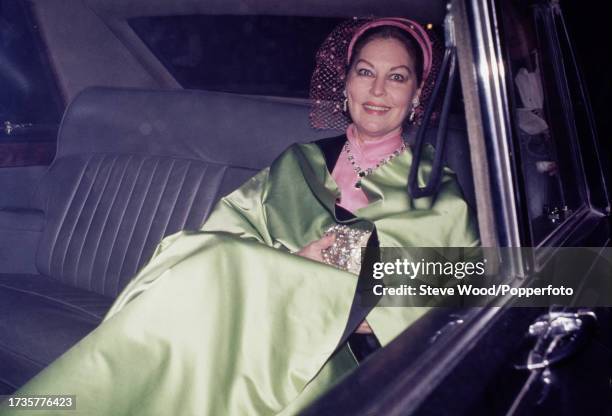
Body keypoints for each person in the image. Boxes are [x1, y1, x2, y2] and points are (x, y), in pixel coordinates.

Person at [0, 18, 478, 416]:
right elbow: (217, 239)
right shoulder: (298, 162)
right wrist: (288, 260)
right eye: (364, 71)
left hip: (332, 353)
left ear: (418, 93)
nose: (377, 90)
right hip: (241, 321)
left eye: (397, 77)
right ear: (345, 82)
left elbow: (444, 302)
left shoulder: (437, 192)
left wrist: (315, 289)